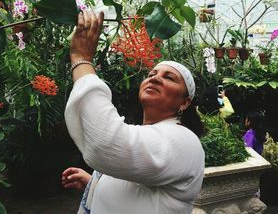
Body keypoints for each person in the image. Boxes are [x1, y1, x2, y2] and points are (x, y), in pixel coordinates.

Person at [62, 11, 206, 214]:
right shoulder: (143, 134)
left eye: (169, 78)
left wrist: (81, 59)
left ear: (184, 102)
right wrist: (93, 184)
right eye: (151, 74)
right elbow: (132, 182)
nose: (155, 78)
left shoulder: (184, 142)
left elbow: (106, 144)